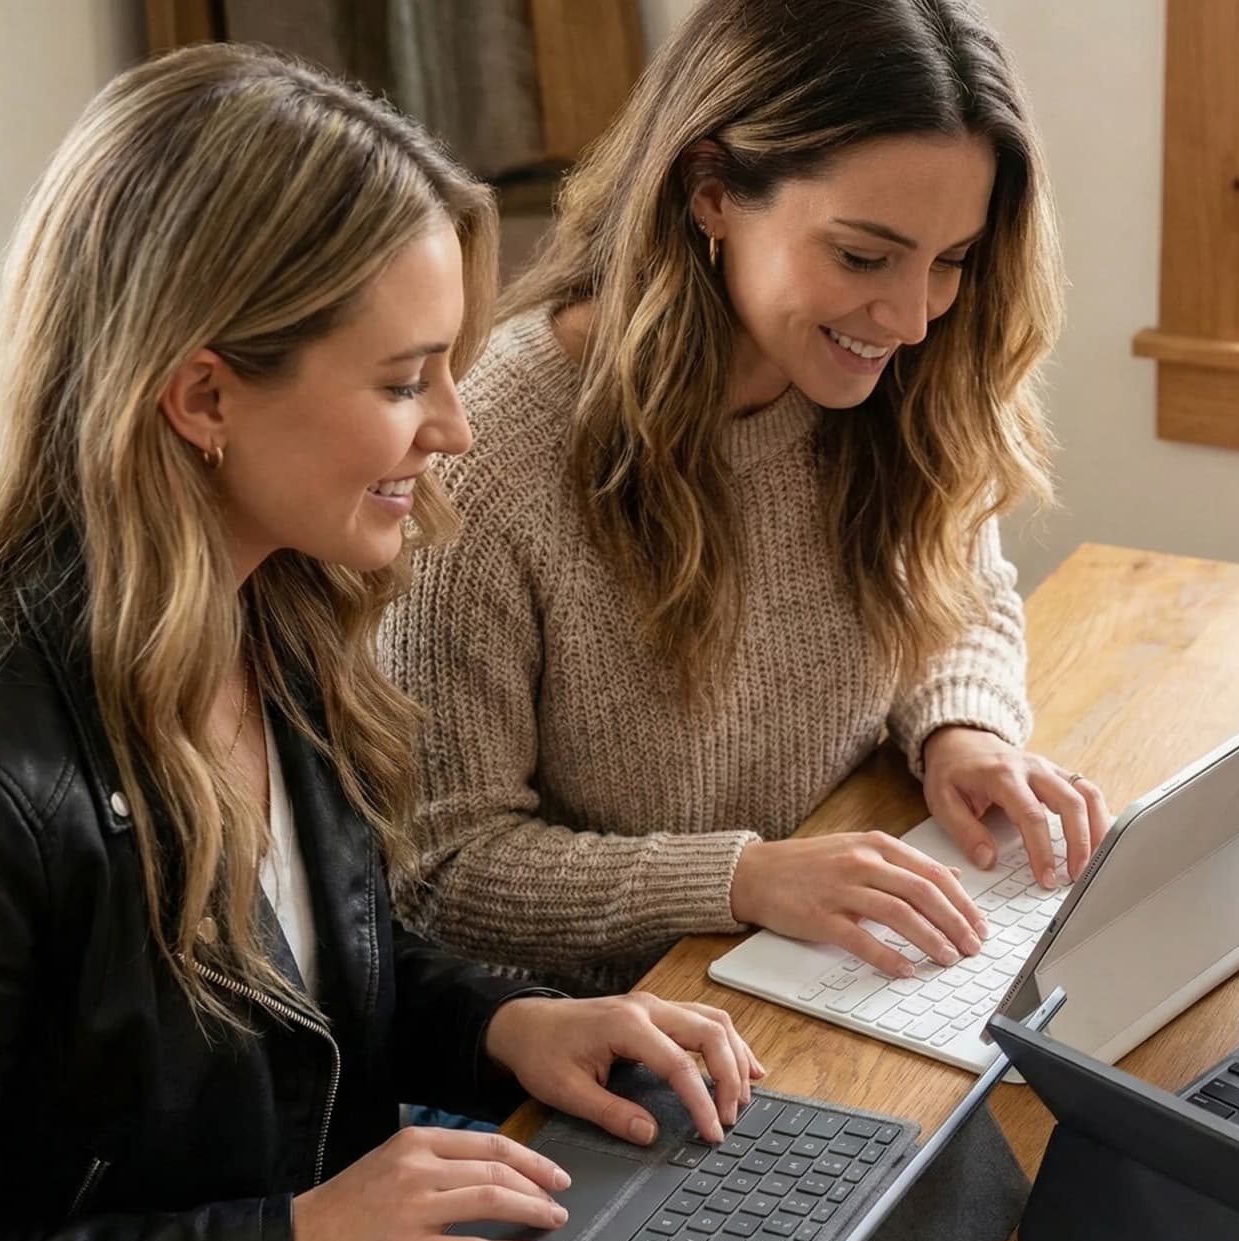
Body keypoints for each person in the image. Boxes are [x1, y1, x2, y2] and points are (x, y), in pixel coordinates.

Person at [0, 46, 757, 1241]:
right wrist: (303, 1237)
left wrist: (510, 1023)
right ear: (202, 400)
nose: (453, 424)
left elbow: (322, 985)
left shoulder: (288, 612)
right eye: (405, 379)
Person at [381, 0, 1111, 995]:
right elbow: (444, 871)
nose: (908, 317)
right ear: (713, 189)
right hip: (625, 1034)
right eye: (862, 255)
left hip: (837, 966)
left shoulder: (897, 386)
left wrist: (962, 728)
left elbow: (960, 591)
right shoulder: (489, 458)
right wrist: (741, 879)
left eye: (951, 262)